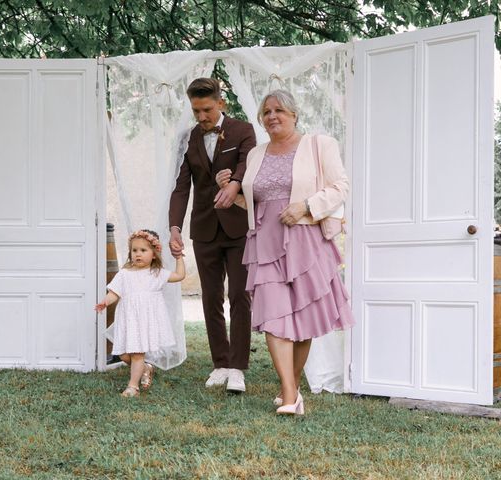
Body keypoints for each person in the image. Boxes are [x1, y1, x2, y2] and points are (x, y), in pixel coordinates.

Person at [216, 89, 355, 414]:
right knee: (274, 314)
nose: (272, 116)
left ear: (294, 114)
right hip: (265, 242)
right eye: (266, 112)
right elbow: (255, 201)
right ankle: (292, 397)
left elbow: (341, 187)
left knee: (302, 316)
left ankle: (288, 388)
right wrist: (229, 189)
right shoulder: (256, 154)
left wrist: (306, 206)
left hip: (307, 241)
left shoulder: (319, 145)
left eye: (279, 110)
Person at [169, 77, 256, 392]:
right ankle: (220, 363)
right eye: (196, 111)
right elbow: (181, 186)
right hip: (203, 229)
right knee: (210, 297)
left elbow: (250, 163)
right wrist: (175, 226)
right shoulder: (187, 138)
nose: (202, 116)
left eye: (207, 109)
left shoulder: (243, 131)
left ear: (221, 103)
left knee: (239, 296)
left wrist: (234, 184)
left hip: (238, 227)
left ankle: (238, 367)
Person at [95, 229, 186, 397]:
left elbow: (180, 276)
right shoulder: (124, 274)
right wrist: (105, 302)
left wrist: (179, 258)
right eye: (134, 250)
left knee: (137, 354)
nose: (138, 254)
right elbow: (115, 292)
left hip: (146, 321)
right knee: (123, 355)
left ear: (154, 253)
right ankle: (145, 368)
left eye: (143, 250)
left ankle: (133, 387)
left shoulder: (157, 273)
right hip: (129, 320)